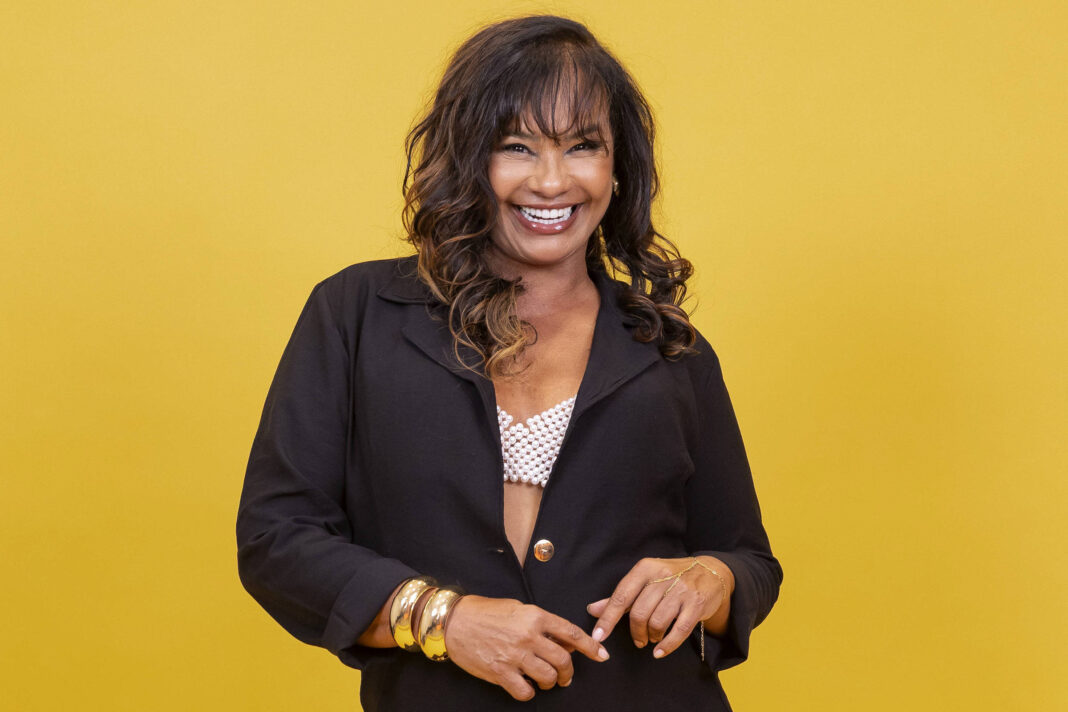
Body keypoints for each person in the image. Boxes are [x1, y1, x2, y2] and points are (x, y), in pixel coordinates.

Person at [236, 14, 781, 711]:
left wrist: (712, 579)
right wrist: (442, 620)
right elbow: (277, 539)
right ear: (468, 159)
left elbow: (748, 560)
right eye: (517, 147)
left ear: (617, 168)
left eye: (583, 146)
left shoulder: (670, 350)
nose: (552, 181)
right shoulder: (356, 315)